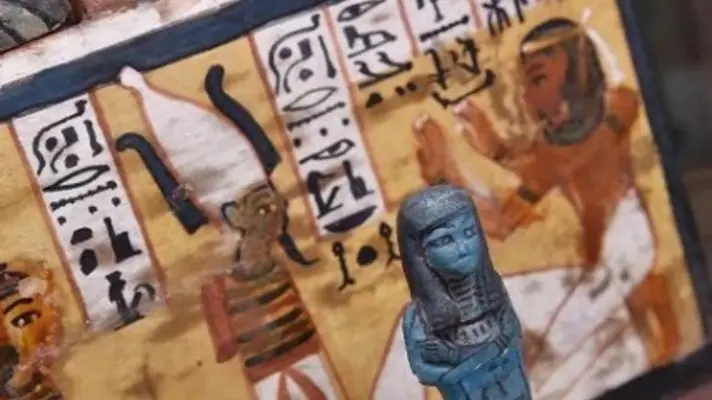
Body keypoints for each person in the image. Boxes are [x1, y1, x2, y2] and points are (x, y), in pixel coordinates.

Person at [398, 185, 531, 399]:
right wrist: (474, 365)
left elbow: (513, 334)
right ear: (421, 254)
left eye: (469, 232)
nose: (463, 248)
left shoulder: (493, 287)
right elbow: (423, 370)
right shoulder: (418, 317)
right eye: (445, 240)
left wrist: (456, 357)